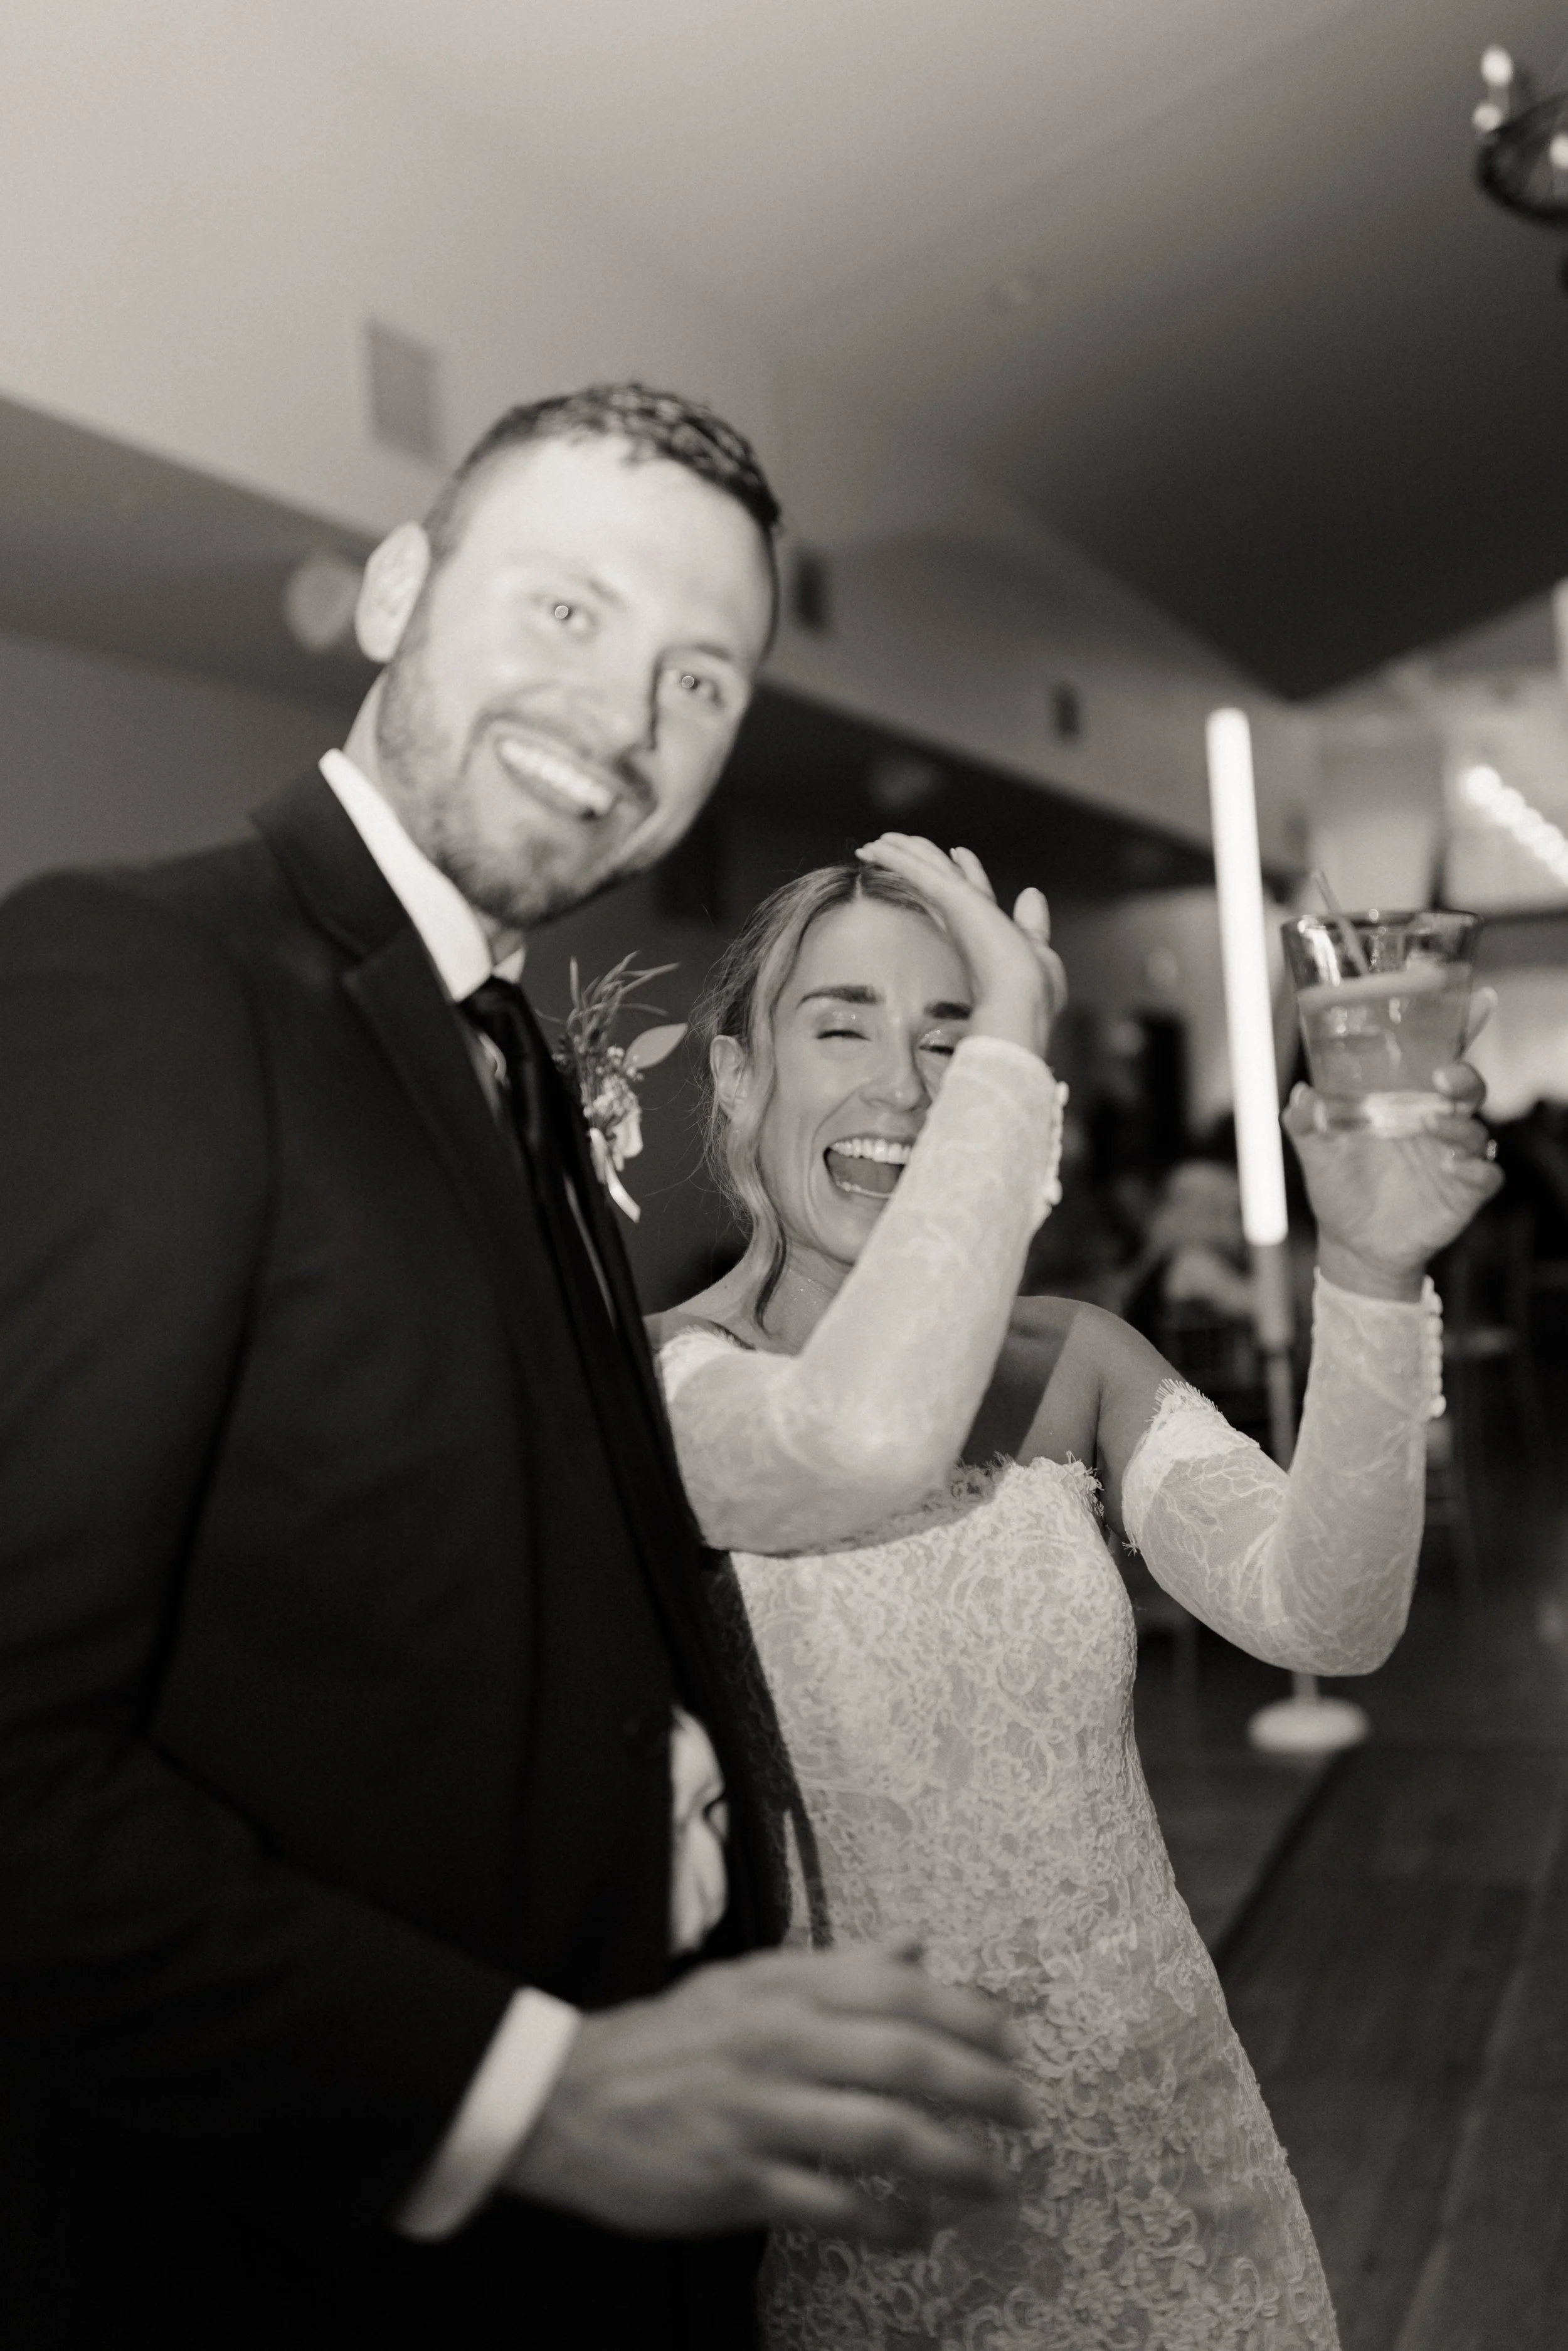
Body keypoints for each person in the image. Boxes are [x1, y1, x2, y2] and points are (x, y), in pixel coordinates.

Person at [0, 390, 1030, 2351]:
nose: (625, 718)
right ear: (396, 588)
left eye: (697, 676)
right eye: (564, 610)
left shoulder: (507, 1053)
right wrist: (528, 2092)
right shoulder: (147, 982)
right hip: (320, 2251)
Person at [652, 839, 1502, 2348]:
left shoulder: (1074, 1360)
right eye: (840, 1024)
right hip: (870, 2193)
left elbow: (1326, 1613)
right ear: (733, 1076)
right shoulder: (662, 1389)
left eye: (950, 1033)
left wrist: (1367, 1266)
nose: (904, 1091)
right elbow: (848, 1438)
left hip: (1167, 2151)